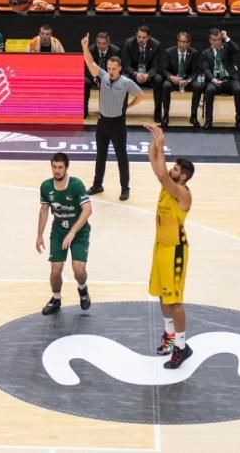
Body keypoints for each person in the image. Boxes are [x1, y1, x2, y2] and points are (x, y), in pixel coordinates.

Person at [145, 123, 195, 369]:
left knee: (175, 301)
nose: (171, 170)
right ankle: (169, 336)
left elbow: (163, 174)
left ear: (182, 176)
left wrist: (162, 145)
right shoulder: (167, 186)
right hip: (160, 247)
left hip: (175, 250)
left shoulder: (182, 193)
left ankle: (182, 347)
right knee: (162, 296)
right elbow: (151, 158)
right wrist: (156, 140)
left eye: (176, 168)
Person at [81, 33, 148, 201]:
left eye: (113, 69)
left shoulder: (126, 82)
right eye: (109, 68)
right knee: (100, 156)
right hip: (102, 123)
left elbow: (140, 95)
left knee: (121, 157)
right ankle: (98, 184)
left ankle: (125, 188)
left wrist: (128, 106)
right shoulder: (103, 76)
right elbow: (90, 62)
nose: (110, 71)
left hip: (118, 124)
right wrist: (84, 47)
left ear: (119, 68)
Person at [36, 152, 92, 314]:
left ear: (66, 168)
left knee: (78, 270)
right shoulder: (46, 186)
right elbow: (44, 209)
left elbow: (88, 210)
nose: (57, 170)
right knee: (55, 270)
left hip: (79, 231)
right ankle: (56, 298)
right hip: (59, 230)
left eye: (60, 167)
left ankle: (82, 288)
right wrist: (39, 235)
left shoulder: (76, 185)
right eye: (54, 167)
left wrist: (73, 232)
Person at [199, 28, 240, 130]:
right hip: (215, 81)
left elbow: (237, 49)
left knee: (239, 90)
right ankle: (208, 121)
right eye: (214, 40)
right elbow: (206, 69)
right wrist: (213, 80)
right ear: (210, 40)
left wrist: (226, 38)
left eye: (219, 39)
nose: (217, 42)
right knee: (209, 90)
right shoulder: (205, 53)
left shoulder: (227, 47)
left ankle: (239, 121)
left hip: (229, 80)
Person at [120, 26, 164, 123]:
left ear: (148, 37)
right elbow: (126, 65)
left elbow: (156, 67)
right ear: (136, 35)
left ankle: (157, 112)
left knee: (159, 79)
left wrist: (147, 75)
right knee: (123, 78)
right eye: (139, 37)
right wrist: (135, 74)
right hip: (134, 75)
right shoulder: (129, 43)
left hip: (148, 76)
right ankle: (122, 112)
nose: (140, 39)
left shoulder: (156, 45)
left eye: (143, 37)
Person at [159, 31, 202, 129]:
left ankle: (194, 116)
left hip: (187, 81)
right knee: (165, 85)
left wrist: (189, 80)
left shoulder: (194, 53)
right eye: (180, 41)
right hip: (174, 80)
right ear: (177, 42)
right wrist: (171, 77)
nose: (182, 44)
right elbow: (163, 69)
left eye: (185, 42)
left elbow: (196, 71)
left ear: (189, 43)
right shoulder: (169, 52)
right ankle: (165, 115)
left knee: (197, 86)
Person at [84, 32, 120, 119]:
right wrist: (96, 78)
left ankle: (106, 111)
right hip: (93, 76)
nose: (101, 46)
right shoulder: (91, 50)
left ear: (108, 43)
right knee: (84, 82)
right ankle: (84, 109)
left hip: (109, 76)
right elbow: (87, 68)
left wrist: (108, 78)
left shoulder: (115, 51)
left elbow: (117, 69)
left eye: (104, 43)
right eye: (99, 43)